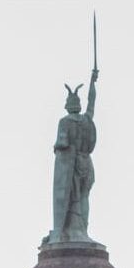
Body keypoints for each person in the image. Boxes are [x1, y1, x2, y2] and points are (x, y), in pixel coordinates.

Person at [47, 68, 98, 244]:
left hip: (73, 165)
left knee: (72, 197)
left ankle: (74, 230)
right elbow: (92, 103)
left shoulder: (65, 122)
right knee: (84, 196)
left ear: (69, 106)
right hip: (87, 163)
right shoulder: (86, 120)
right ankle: (82, 230)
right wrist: (93, 82)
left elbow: (62, 144)